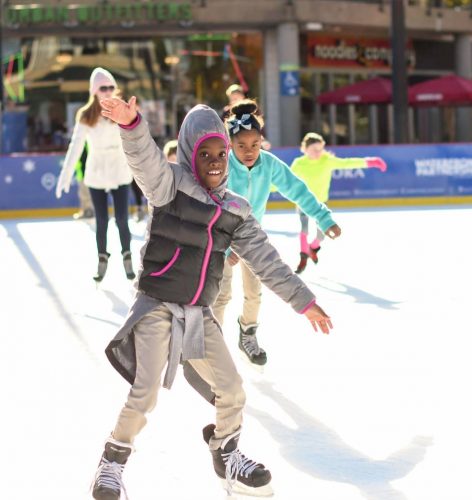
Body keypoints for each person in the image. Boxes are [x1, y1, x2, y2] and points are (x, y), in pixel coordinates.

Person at [92, 96, 334, 499]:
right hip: (156, 306)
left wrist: (303, 300)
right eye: (205, 153)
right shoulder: (167, 186)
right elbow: (144, 158)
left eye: (222, 153)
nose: (216, 161)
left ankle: (227, 453)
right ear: (190, 153)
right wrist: (132, 124)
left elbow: (267, 262)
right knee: (146, 391)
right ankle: (112, 461)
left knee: (233, 388)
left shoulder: (235, 210)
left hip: (198, 314)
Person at [211, 99, 340, 369]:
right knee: (220, 295)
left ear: (262, 142)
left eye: (255, 145)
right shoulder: (221, 165)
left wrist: (324, 219)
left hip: (251, 239)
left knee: (254, 293)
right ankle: (212, 343)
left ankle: (248, 334)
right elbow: (207, 204)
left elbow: (298, 190)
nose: (249, 152)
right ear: (229, 144)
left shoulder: (268, 164)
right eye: (241, 146)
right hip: (220, 239)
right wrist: (223, 247)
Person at [55, 67, 135, 282]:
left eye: (111, 87)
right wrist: (66, 174)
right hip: (97, 170)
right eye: (103, 88)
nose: (108, 92)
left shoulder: (122, 110)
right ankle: (102, 259)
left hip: (119, 168)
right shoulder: (85, 115)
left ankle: (127, 257)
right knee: (101, 219)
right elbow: (76, 146)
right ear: (94, 91)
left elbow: (135, 137)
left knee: (121, 218)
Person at [290, 132, 387, 272]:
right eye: (314, 149)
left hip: (321, 204)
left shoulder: (327, 160)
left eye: (320, 149)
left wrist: (370, 161)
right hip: (303, 202)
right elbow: (286, 180)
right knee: (304, 229)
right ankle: (303, 258)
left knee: (321, 235)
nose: (318, 152)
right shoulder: (298, 164)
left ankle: (313, 248)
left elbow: (347, 163)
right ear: (305, 149)